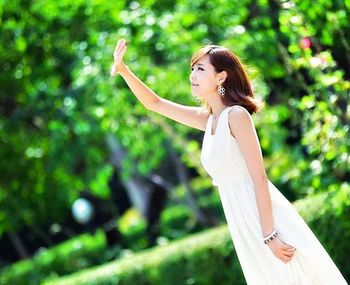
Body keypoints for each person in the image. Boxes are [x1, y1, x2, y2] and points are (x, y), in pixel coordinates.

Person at [110, 39, 347, 285]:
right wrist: (124, 70)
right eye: (193, 68)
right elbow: (155, 104)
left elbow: (259, 177)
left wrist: (270, 234)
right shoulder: (209, 119)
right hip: (240, 217)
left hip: (263, 218)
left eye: (201, 69)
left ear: (221, 77)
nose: (193, 74)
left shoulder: (236, 115)